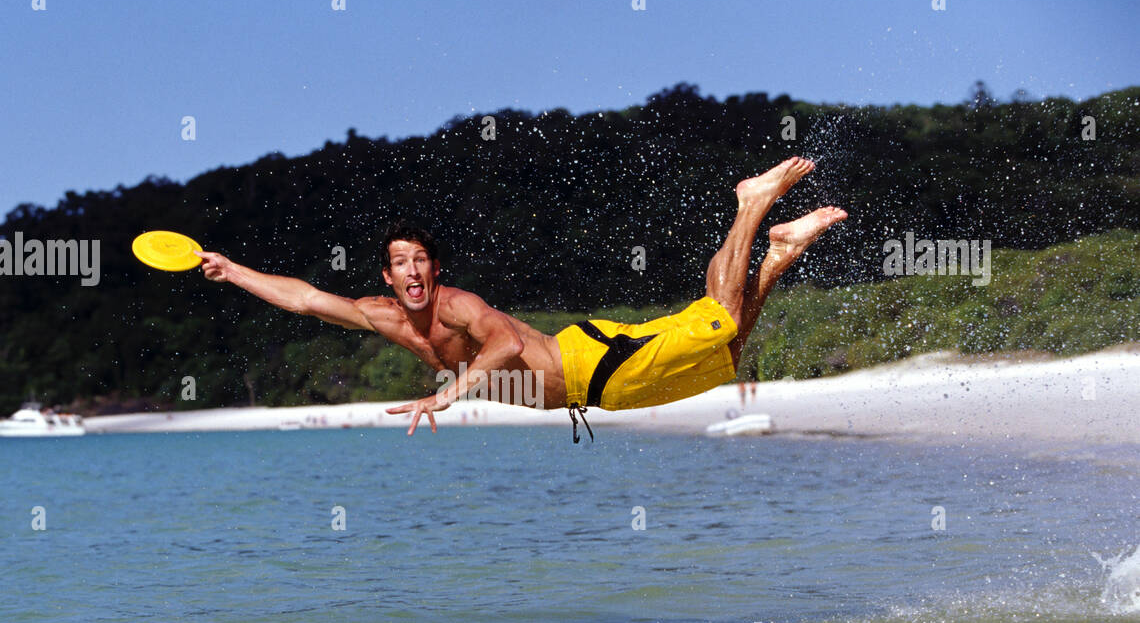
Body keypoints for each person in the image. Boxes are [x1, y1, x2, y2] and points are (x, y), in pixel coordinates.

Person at [194, 157, 845, 439]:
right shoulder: (381, 316)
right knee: (726, 349)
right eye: (401, 264)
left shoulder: (456, 307)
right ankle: (780, 252)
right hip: (600, 393)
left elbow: (503, 341)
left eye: (422, 260)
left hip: (591, 361)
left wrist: (455, 390)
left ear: (436, 268)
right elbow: (305, 298)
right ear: (387, 279)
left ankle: (751, 205)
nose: (413, 271)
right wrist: (233, 271)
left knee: (718, 318)